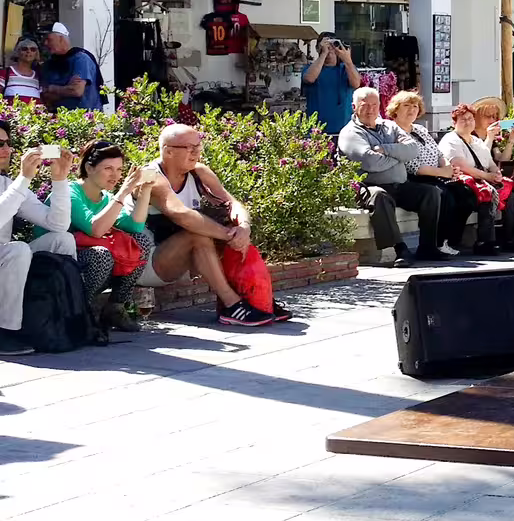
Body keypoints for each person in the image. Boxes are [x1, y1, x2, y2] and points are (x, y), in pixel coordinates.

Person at [142, 123, 282, 325]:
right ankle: (232, 305)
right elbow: (182, 215)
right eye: (190, 148)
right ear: (168, 151)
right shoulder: (151, 177)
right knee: (199, 235)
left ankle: (258, 300)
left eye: (198, 147)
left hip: (177, 255)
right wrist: (229, 235)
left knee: (232, 231)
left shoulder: (198, 172)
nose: (196, 153)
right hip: (147, 263)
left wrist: (243, 227)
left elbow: (232, 202)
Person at [338, 86, 450, 266]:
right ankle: (400, 249)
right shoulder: (350, 133)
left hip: (399, 184)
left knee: (431, 193)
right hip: (367, 186)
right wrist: (399, 157)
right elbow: (370, 163)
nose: (370, 109)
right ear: (354, 107)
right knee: (380, 197)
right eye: (364, 105)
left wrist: (386, 151)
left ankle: (428, 247)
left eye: (374, 105)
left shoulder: (389, 126)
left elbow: (412, 150)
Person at [61, 140, 160, 335]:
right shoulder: (69, 192)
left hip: (90, 265)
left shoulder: (105, 197)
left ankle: (116, 307)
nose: (115, 175)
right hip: (60, 264)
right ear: (89, 168)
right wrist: (123, 191)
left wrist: (145, 190)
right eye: (108, 168)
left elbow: (136, 226)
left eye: (119, 169)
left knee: (140, 242)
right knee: (101, 255)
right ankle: (81, 312)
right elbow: (95, 230)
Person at [0, 127, 74, 356]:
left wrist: (60, 180)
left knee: (63, 239)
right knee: (18, 250)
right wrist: (24, 179)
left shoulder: (7, 184)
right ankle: (6, 331)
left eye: (6, 143)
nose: (6, 150)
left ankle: (70, 315)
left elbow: (57, 224)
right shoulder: (15, 185)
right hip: (7, 256)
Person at [384, 91, 483, 256]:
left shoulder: (420, 129)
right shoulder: (392, 132)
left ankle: (450, 241)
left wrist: (448, 167)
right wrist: (442, 172)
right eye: (406, 106)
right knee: (445, 196)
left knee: (466, 195)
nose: (411, 110)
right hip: (415, 179)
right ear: (395, 110)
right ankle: (435, 244)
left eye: (414, 106)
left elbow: (438, 153)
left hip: (438, 174)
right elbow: (412, 166)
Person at [439, 102, 514, 254]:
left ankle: (512, 240)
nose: (467, 122)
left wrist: (496, 173)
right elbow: (460, 166)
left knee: (511, 197)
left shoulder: (476, 141)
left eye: (470, 119)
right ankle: (485, 242)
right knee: (487, 196)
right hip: (461, 184)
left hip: (480, 182)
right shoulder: (450, 139)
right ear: (454, 122)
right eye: (463, 119)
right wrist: (487, 176)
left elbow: (490, 163)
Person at [472, 96, 514, 247]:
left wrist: (511, 139)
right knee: (501, 195)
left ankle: (513, 239)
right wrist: (490, 137)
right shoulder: (471, 136)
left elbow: (502, 158)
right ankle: (491, 242)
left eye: (495, 116)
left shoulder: (489, 136)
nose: (492, 120)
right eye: (488, 116)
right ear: (478, 116)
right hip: (475, 179)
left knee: (511, 196)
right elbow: (482, 156)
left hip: (489, 179)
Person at [302, 34, 363, 135]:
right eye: (326, 45)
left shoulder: (345, 69)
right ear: (317, 48)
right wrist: (323, 53)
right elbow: (309, 78)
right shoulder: (311, 68)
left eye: (333, 44)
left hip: (344, 129)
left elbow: (356, 83)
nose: (330, 48)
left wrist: (347, 60)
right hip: (316, 130)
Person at [38, 23, 102, 111]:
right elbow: (46, 96)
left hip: (83, 119)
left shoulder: (81, 59)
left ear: (61, 39)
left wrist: (52, 88)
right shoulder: (49, 64)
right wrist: (66, 88)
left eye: (48, 39)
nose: (45, 43)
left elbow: (76, 91)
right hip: (58, 119)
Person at [4, 37, 40, 102]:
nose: (28, 51)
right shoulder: (5, 73)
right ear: (17, 51)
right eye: (24, 49)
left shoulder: (39, 76)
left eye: (33, 49)